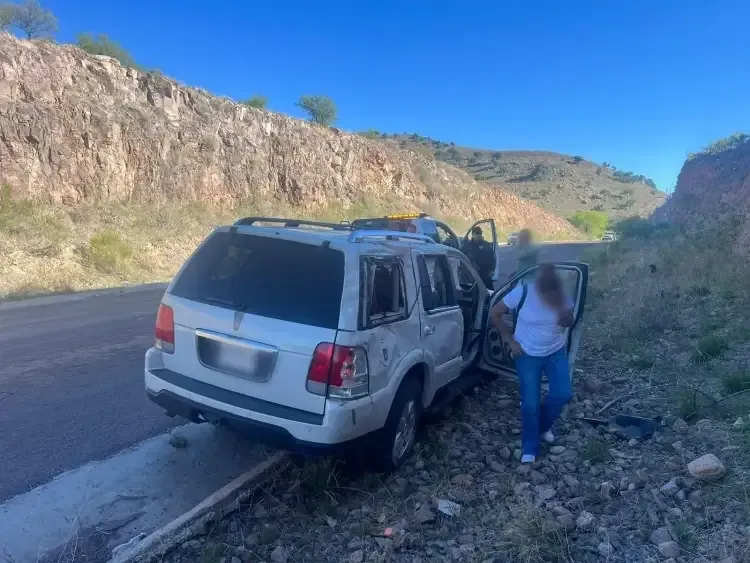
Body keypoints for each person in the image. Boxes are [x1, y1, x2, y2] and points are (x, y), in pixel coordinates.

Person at [490, 263, 574, 463]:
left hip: (555, 352)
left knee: (563, 393)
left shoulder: (563, 298)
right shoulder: (523, 292)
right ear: (540, 289)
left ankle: (544, 426)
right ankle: (530, 445)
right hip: (527, 354)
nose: (549, 301)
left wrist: (564, 313)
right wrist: (509, 341)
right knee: (530, 403)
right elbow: (495, 312)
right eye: (546, 297)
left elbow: (568, 323)